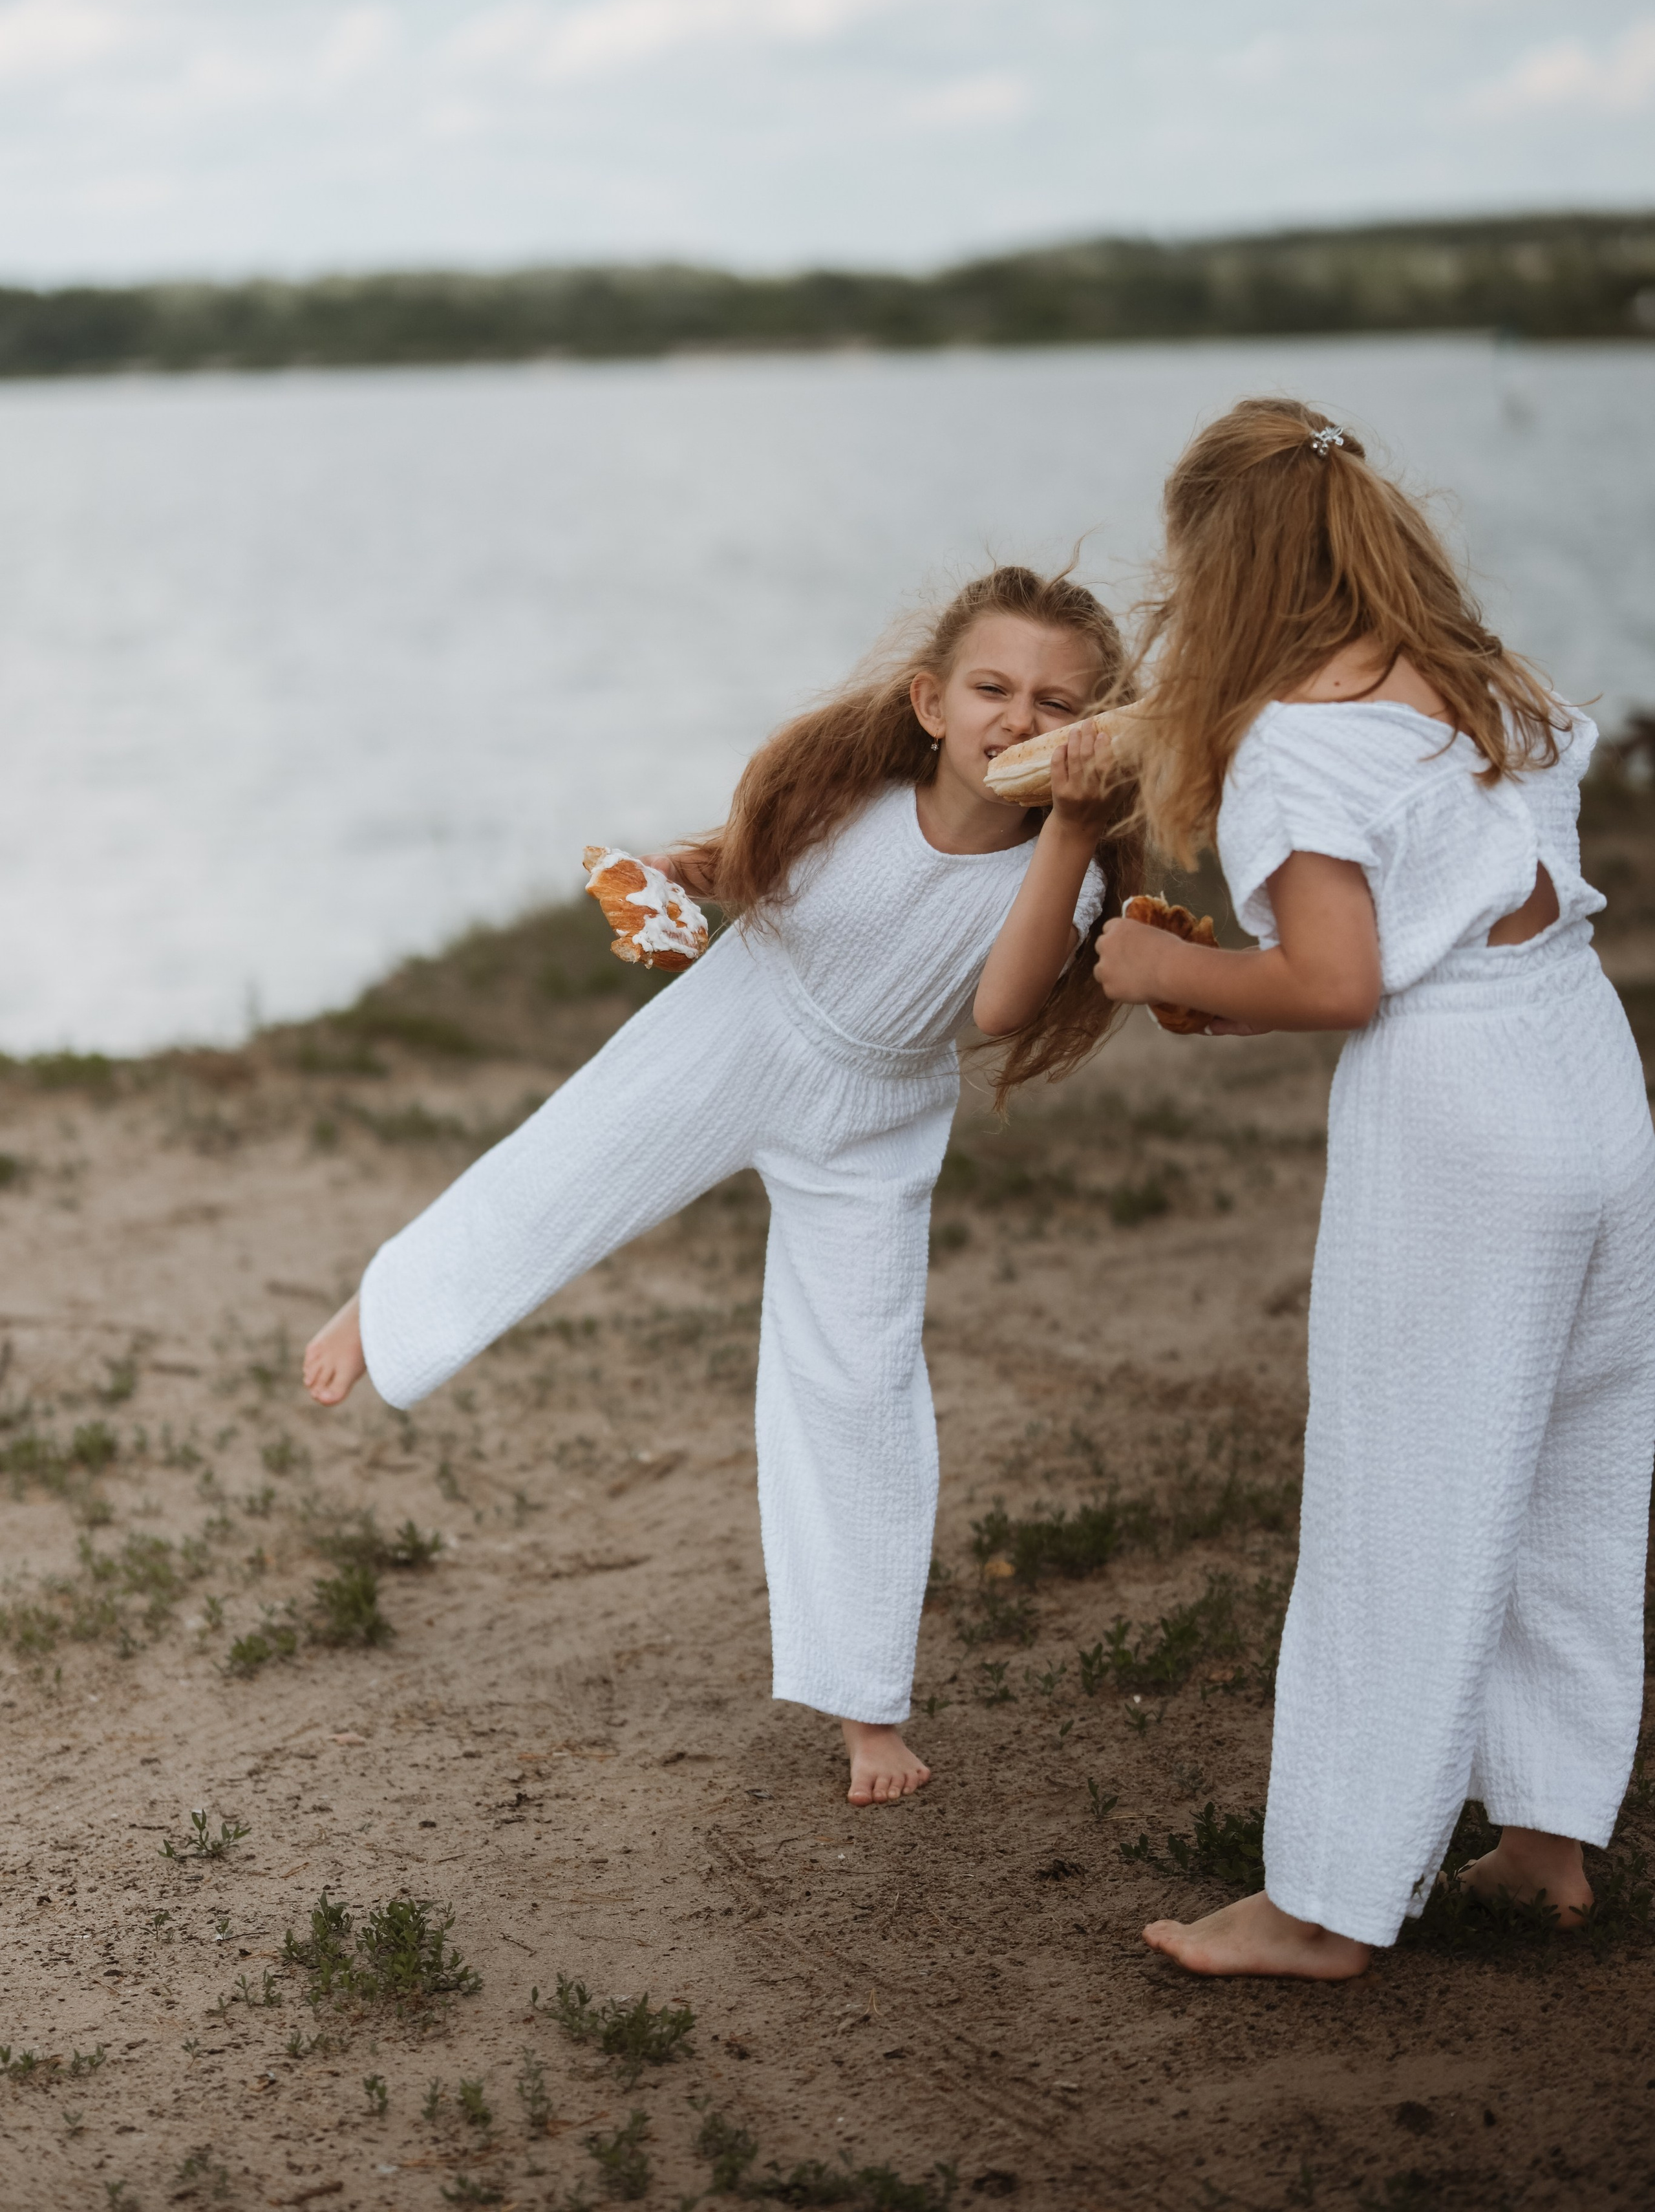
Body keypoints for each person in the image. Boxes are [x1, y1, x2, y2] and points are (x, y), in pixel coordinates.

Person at [303, 565, 1142, 1805]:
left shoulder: (1058, 874)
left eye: (1059, 705)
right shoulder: (859, 788)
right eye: (992, 688)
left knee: (858, 1375)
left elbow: (1001, 1008)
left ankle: (866, 1702)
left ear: (1098, 737)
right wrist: (679, 879)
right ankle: (393, 1303)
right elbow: (755, 865)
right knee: (569, 1161)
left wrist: (1072, 826)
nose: (1020, 721)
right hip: (750, 1016)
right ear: (930, 701)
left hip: (878, 1112)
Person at [1093, 398, 1655, 1976]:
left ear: (1220, 568)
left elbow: (1341, 981)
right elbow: (1440, 906)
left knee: (1397, 1493)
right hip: (1592, 1081)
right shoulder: (1488, 688)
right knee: (1572, 1459)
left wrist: (1149, 965)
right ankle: (1546, 1838)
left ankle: (1325, 1901)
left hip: (1464, 1116)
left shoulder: (1296, 738)